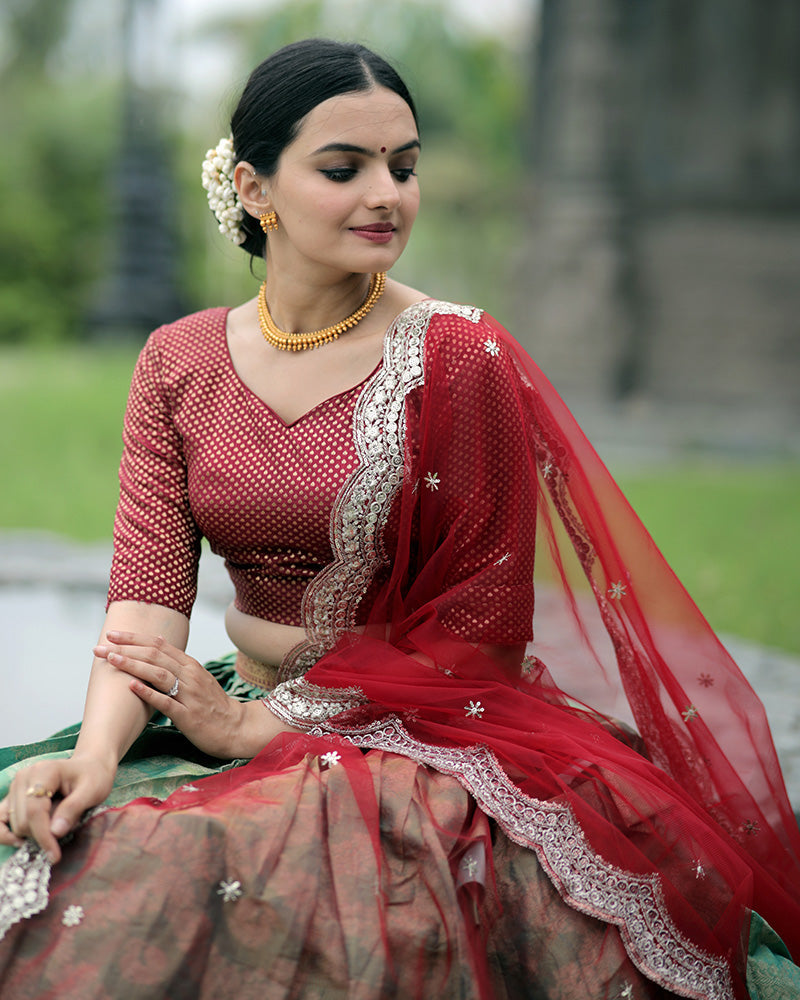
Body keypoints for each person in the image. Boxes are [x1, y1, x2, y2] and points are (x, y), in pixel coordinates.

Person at [0, 37, 798, 1000]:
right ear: (254, 188)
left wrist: (260, 731)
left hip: (417, 733)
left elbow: (479, 643)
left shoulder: (460, 357)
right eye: (345, 169)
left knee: (198, 876)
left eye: (404, 167)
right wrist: (93, 757)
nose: (388, 195)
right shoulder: (179, 360)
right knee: (53, 854)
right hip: (235, 701)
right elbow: (145, 599)